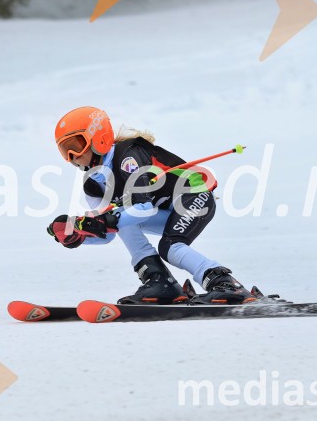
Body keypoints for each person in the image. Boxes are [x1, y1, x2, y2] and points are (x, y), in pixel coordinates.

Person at [47, 106, 255, 305]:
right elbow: (108, 233)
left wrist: (102, 221)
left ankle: (224, 283)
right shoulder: (93, 185)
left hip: (194, 197)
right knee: (122, 221)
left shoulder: (126, 156)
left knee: (170, 247)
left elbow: (142, 208)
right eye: (65, 151)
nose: (72, 157)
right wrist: (80, 234)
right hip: (167, 210)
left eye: (76, 146)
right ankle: (159, 281)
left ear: (98, 138)